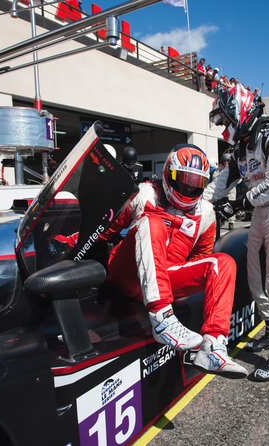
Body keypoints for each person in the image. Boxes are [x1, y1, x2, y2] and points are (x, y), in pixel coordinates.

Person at [102, 143, 248, 378]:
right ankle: (162, 320)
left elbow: (200, 260)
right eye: (184, 180)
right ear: (169, 174)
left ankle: (213, 346)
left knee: (223, 263)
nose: (189, 186)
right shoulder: (145, 193)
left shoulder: (206, 214)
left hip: (165, 279)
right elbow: (105, 228)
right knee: (153, 223)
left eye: (196, 182)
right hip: (128, 273)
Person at [206, 85, 269, 382]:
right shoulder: (241, 149)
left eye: (225, 120)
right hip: (261, 212)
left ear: (240, 111)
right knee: (253, 275)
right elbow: (219, 185)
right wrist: (192, 203)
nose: (224, 127)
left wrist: (236, 204)